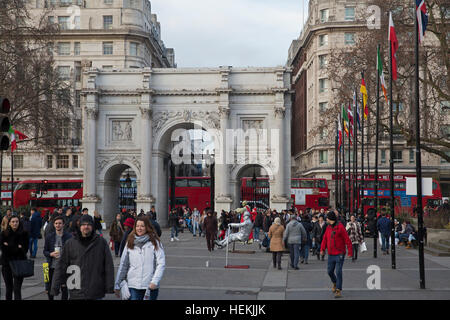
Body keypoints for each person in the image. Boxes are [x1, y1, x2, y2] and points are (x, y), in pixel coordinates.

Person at [50, 214, 115, 300]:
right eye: (83, 225)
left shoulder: (101, 242)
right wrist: (55, 286)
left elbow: (108, 265)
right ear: (79, 226)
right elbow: (61, 265)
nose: (86, 227)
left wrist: (110, 285)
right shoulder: (70, 243)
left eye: (88, 225)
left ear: (92, 226)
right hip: (76, 291)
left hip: (95, 290)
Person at [114, 217, 165, 300]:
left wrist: (155, 281)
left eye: (142, 226)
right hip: (133, 285)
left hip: (150, 286)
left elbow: (161, 263)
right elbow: (123, 264)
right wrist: (118, 284)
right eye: (137, 226)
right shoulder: (130, 242)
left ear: (147, 227)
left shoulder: (155, 242)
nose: (139, 228)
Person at [320, 211, 353, 298]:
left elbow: (347, 239)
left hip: (339, 253)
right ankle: (335, 282)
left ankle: (338, 289)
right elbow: (325, 239)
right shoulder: (328, 227)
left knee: (338, 271)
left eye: (327, 218)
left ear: (330, 219)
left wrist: (350, 251)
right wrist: (322, 249)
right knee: (330, 271)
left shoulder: (340, 227)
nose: (326, 219)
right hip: (331, 254)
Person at [0, 215, 29, 300]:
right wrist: (17, 247)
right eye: (13, 222)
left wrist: (10, 246)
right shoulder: (4, 233)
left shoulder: (24, 234)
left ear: (19, 223)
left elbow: (25, 249)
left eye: (16, 221)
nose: (15, 223)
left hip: (19, 264)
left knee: (17, 289)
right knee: (9, 288)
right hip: (7, 264)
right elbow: (4, 250)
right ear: (9, 223)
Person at [43, 216, 72, 300]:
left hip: (64, 266)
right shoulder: (49, 237)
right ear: (54, 225)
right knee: (50, 288)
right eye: (56, 223)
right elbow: (45, 251)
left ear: (63, 224)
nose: (58, 225)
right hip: (51, 266)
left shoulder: (69, 237)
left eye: (59, 223)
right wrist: (50, 254)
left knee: (64, 288)